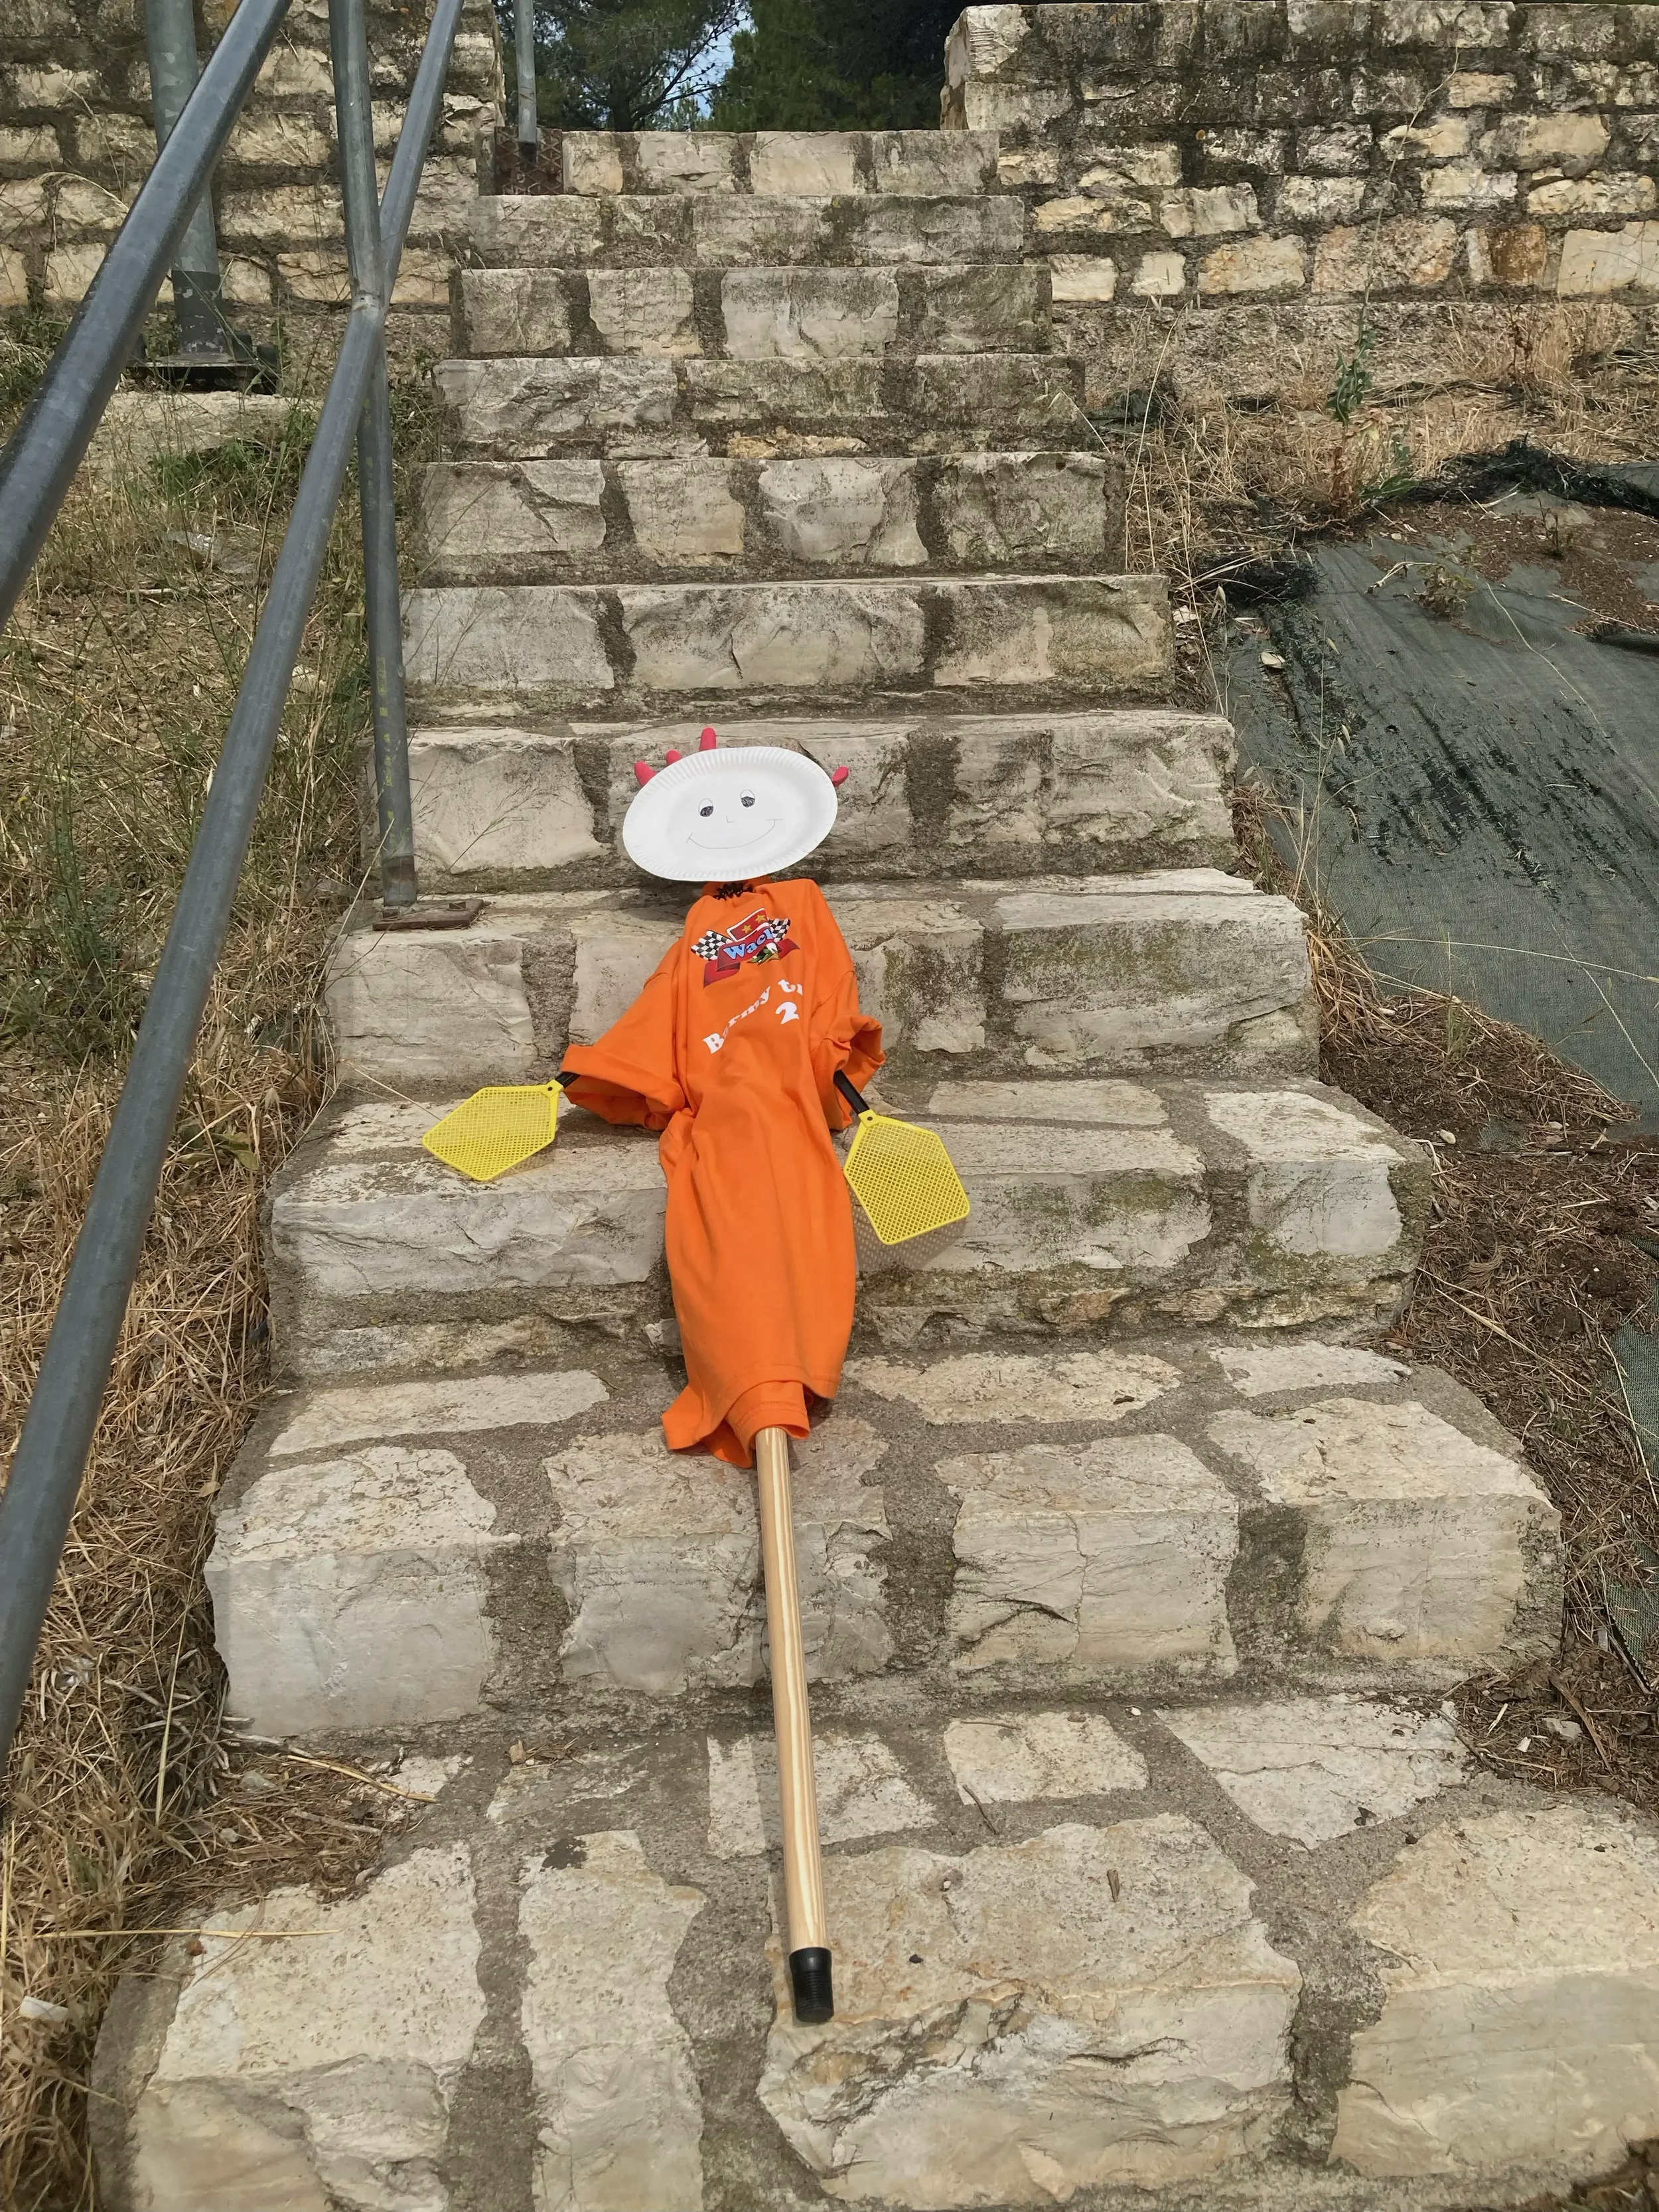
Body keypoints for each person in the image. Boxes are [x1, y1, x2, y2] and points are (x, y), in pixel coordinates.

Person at [559, 730, 881, 1469]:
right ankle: (758, 1382)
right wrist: (591, 1073)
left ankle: (771, 1378)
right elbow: (664, 1004)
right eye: (712, 809)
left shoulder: (802, 902)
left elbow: (828, 984)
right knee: (733, 1204)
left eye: (745, 804)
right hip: (727, 1095)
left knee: (779, 1204)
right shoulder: (699, 928)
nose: (733, 820)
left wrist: (829, 1057)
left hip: (787, 1090)